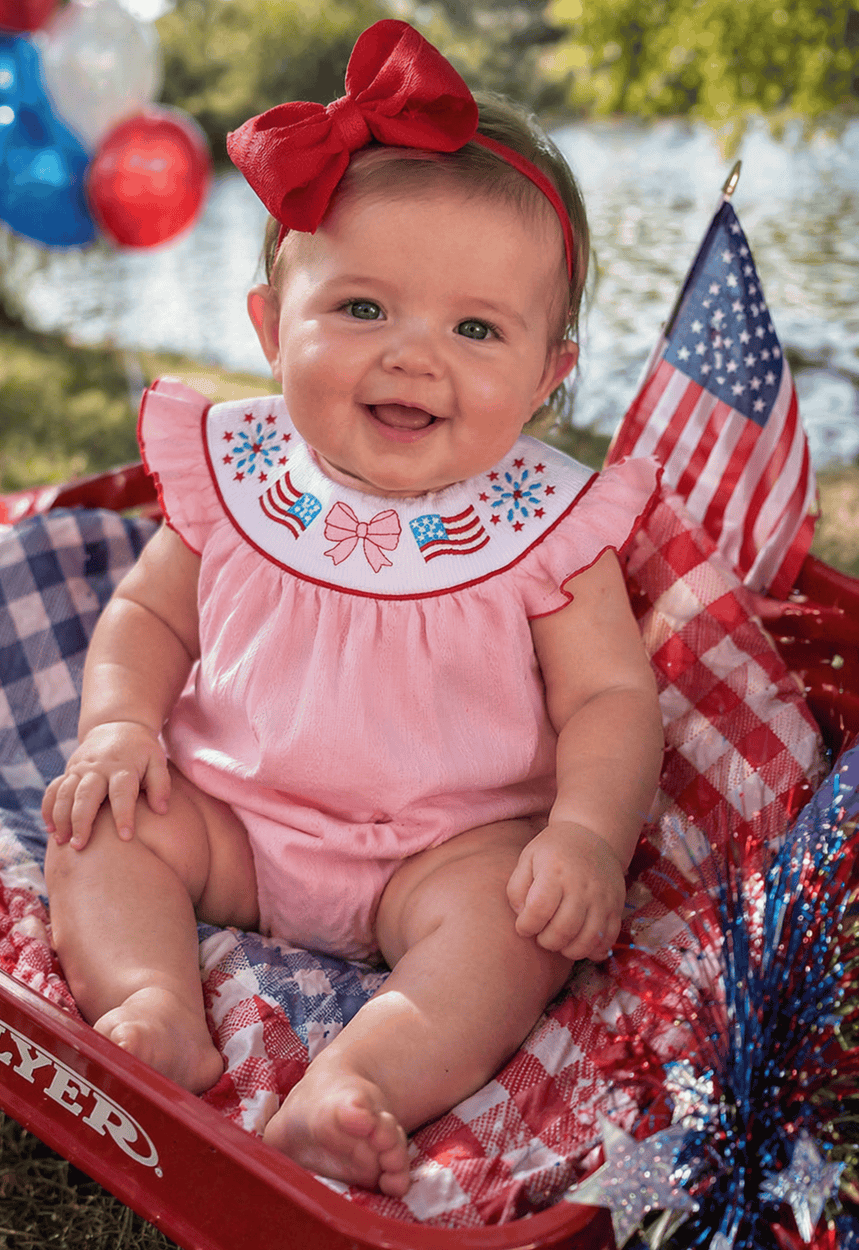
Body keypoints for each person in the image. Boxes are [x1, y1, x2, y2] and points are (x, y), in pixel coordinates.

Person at [42, 19, 664, 1199]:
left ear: (547, 376)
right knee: (101, 826)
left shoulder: (541, 520)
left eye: (476, 329)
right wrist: (119, 724)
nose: (414, 357)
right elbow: (148, 619)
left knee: (512, 927)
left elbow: (609, 696)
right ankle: (156, 1003)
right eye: (363, 309)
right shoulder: (241, 472)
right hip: (231, 813)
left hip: (442, 848)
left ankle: (352, 1083)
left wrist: (583, 830)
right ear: (274, 327)